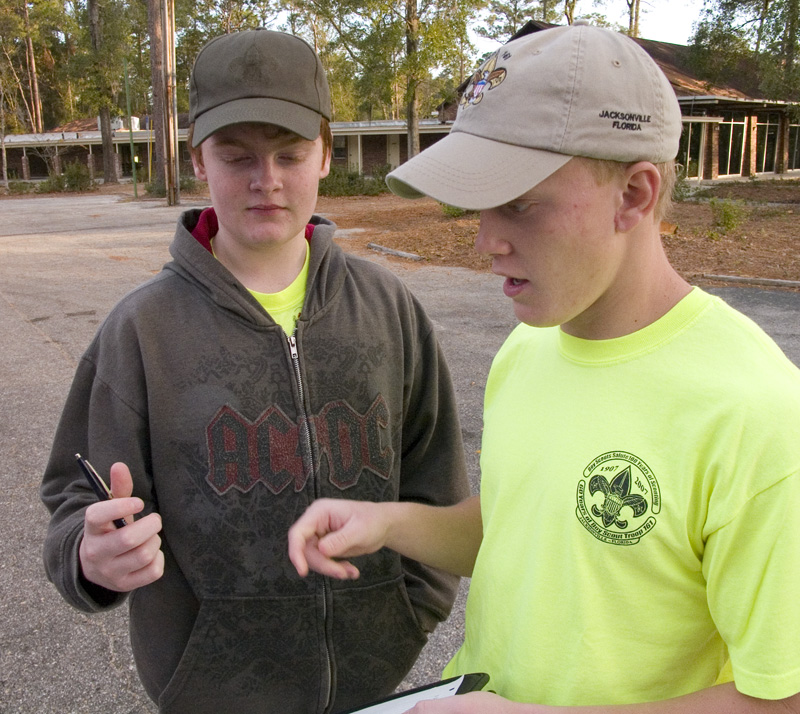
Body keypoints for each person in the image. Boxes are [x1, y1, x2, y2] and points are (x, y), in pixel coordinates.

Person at [288, 23, 800, 714]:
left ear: (636, 195)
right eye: (480, 205)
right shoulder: (530, 348)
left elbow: (778, 696)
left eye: (521, 204)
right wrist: (385, 523)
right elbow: (517, 532)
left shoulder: (754, 413)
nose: (485, 241)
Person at [40, 28, 469, 714]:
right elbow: (74, 496)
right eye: (236, 156)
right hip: (208, 691)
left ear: (326, 154)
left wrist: (410, 611)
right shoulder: (141, 331)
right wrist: (88, 559)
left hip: (373, 680)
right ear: (196, 160)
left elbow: (437, 479)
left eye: (290, 154)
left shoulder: (388, 310)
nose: (265, 179)